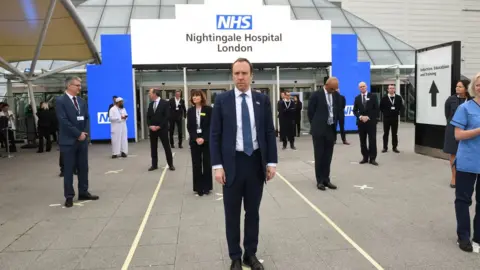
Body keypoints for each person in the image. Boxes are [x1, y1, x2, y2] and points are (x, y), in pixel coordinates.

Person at [210, 58, 277, 270]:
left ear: (251, 75)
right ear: (232, 75)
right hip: (232, 164)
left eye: (244, 73)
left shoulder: (262, 100)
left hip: (255, 163)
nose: (240, 77)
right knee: (232, 213)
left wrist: (271, 162)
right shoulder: (222, 100)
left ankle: (250, 254)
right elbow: (215, 135)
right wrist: (217, 166)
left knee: (253, 212)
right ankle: (235, 257)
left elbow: (268, 131)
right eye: (236, 73)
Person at [56, 77, 99, 208]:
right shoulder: (60, 101)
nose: (80, 88)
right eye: (77, 85)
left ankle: (83, 191)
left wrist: (84, 133)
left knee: (83, 167)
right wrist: (78, 133)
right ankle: (69, 196)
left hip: (82, 140)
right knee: (68, 169)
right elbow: (63, 121)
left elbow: (86, 118)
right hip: (68, 141)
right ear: (69, 86)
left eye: (80, 85)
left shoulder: (81, 101)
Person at [450, 72, 480, 252]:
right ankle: (463, 236)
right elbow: (458, 135)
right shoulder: (465, 108)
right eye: (478, 84)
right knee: (463, 200)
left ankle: (479, 236)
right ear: (473, 87)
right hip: (467, 161)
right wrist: (478, 130)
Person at [308, 77, 339, 191]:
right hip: (319, 130)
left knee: (328, 156)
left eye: (335, 89)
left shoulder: (335, 95)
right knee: (319, 155)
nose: (333, 91)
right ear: (326, 85)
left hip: (330, 129)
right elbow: (310, 112)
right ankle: (320, 181)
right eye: (332, 89)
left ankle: (326, 179)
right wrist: (316, 124)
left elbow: (338, 107)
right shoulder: (316, 95)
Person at [444, 80, 471, 188]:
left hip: (468, 131)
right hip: (452, 130)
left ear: (466, 88)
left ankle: (465, 177)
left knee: (467, 154)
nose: (457, 88)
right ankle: (454, 177)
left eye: (460, 87)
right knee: (453, 154)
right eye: (456, 86)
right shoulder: (451, 100)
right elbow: (447, 115)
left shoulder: (472, 100)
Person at [187, 89, 213, 196]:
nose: (195, 98)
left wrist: (204, 138)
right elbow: (190, 127)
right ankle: (198, 187)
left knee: (207, 164)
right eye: (193, 96)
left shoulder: (208, 110)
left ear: (202, 97)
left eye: (197, 96)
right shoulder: (190, 111)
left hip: (206, 141)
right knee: (196, 164)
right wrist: (196, 138)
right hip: (194, 141)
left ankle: (207, 187)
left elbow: (211, 125)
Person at [147, 88, 175, 171]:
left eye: (150, 93)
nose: (149, 94)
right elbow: (148, 116)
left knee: (166, 146)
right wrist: (150, 125)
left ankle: (170, 164)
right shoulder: (151, 104)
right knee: (153, 147)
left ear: (155, 94)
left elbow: (167, 116)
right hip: (152, 129)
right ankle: (154, 165)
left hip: (162, 129)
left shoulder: (165, 103)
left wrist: (159, 126)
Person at [353, 81, 379, 166]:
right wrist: (360, 117)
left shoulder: (373, 96)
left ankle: (372, 158)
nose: (362, 88)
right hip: (361, 123)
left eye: (363, 86)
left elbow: (376, 109)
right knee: (362, 141)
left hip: (371, 122)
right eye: (360, 87)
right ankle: (365, 157)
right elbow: (355, 110)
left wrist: (368, 117)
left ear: (366, 87)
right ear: (358, 88)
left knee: (372, 140)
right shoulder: (357, 98)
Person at [380, 84, 404, 153]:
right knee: (386, 133)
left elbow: (401, 107)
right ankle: (385, 147)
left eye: (393, 88)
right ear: (387, 89)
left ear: (394, 89)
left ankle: (395, 147)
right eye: (390, 88)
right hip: (386, 118)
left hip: (395, 118)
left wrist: (398, 112)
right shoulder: (384, 98)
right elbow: (381, 107)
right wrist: (385, 113)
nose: (391, 89)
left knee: (394, 133)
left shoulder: (398, 97)